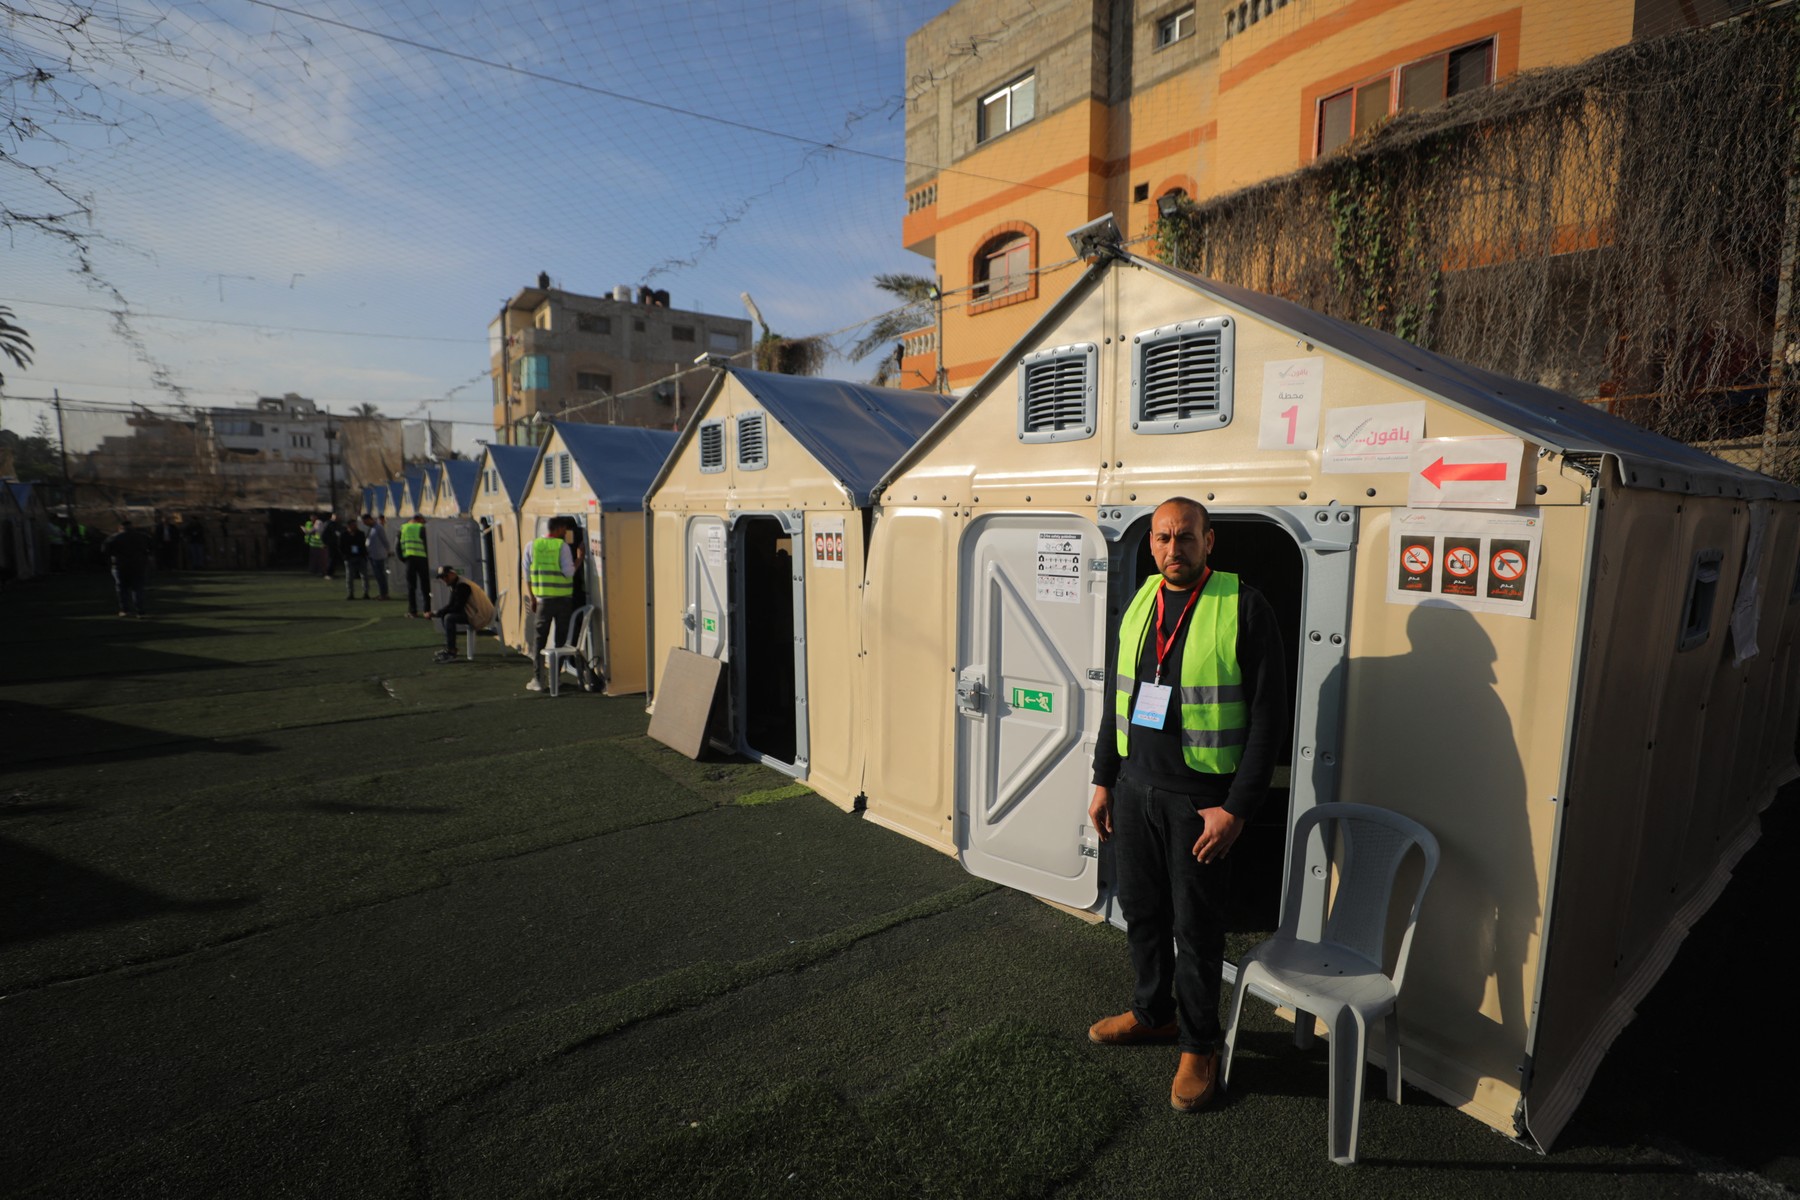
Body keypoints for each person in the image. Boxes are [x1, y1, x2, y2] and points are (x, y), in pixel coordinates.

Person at [1086, 497, 1285, 1114]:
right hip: (1136, 787)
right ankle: (1153, 1014)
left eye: (1187, 537)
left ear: (1210, 540)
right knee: (1142, 912)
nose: (1175, 549)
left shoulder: (1244, 606)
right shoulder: (1143, 600)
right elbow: (1119, 696)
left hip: (1202, 801)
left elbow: (1270, 718)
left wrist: (1238, 808)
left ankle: (1201, 1045)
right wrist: (1103, 779)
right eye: (1164, 538)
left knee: (1196, 928)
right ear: (1151, 544)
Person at [523, 516, 578, 693]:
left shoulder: (531, 546)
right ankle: (556, 678)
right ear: (560, 529)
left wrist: (532, 598)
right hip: (563, 602)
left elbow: (527, 575)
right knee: (560, 641)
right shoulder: (562, 547)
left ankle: (538, 680)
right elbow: (569, 572)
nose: (566, 532)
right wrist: (580, 558)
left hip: (543, 602)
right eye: (565, 529)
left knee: (539, 640)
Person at [429, 565, 494, 663]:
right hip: (476, 613)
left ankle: (451, 652)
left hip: (480, 616)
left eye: (445, 576)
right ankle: (450, 648)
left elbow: (457, 607)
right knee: (446, 615)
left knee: (448, 618)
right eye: (442, 577)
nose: (444, 579)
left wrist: (435, 613)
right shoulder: (457, 584)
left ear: (453, 574)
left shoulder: (462, 585)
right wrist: (438, 613)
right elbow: (452, 605)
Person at [102, 517, 153, 617]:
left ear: (120, 527)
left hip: (120, 565)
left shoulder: (114, 537)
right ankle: (140, 610)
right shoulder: (142, 536)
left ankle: (125, 610)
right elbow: (152, 546)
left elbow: (104, 550)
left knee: (122, 589)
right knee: (137, 589)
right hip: (138, 565)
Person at [398, 512, 430, 617]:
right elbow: (427, 544)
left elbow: (397, 545)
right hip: (422, 559)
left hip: (409, 560)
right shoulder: (422, 528)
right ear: (419, 519)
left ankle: (413, 611)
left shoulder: (403, 528)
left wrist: (403, 558)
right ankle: (427, 610)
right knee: (425, 586)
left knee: (411, 587)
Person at [361, 513, 391, 600]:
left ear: (369, 519)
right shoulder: (372, 528)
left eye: (365, 522)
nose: (365, 524)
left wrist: (388, 550)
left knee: (381, 575)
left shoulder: (378, 528)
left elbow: (384, 540)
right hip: (373, 555)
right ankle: (382, 593)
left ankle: (384, 594)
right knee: (378, 576)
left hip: (379, 556)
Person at [341, 518, 370, 599]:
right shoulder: (344, 535)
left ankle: (366, 593)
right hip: (349, 558)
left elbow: (363, 545)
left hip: (360, 557)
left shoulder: (361, 534)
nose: (355, 526)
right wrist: (345, 556)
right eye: (353, 525)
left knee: (364, 576)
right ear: (349, 526)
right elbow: (341, 546)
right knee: (349, 577)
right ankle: (350, 593)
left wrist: (364, 555)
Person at [322, 512, 345, 580]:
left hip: (335, 544)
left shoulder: (337, 524)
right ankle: (328, 574)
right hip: (330, 544)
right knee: (331, 558)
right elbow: (324, 534)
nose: (337, 518)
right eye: (336, 516)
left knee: (334, 559)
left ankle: (331, 573)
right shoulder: (328, 523)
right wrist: (325, 543)